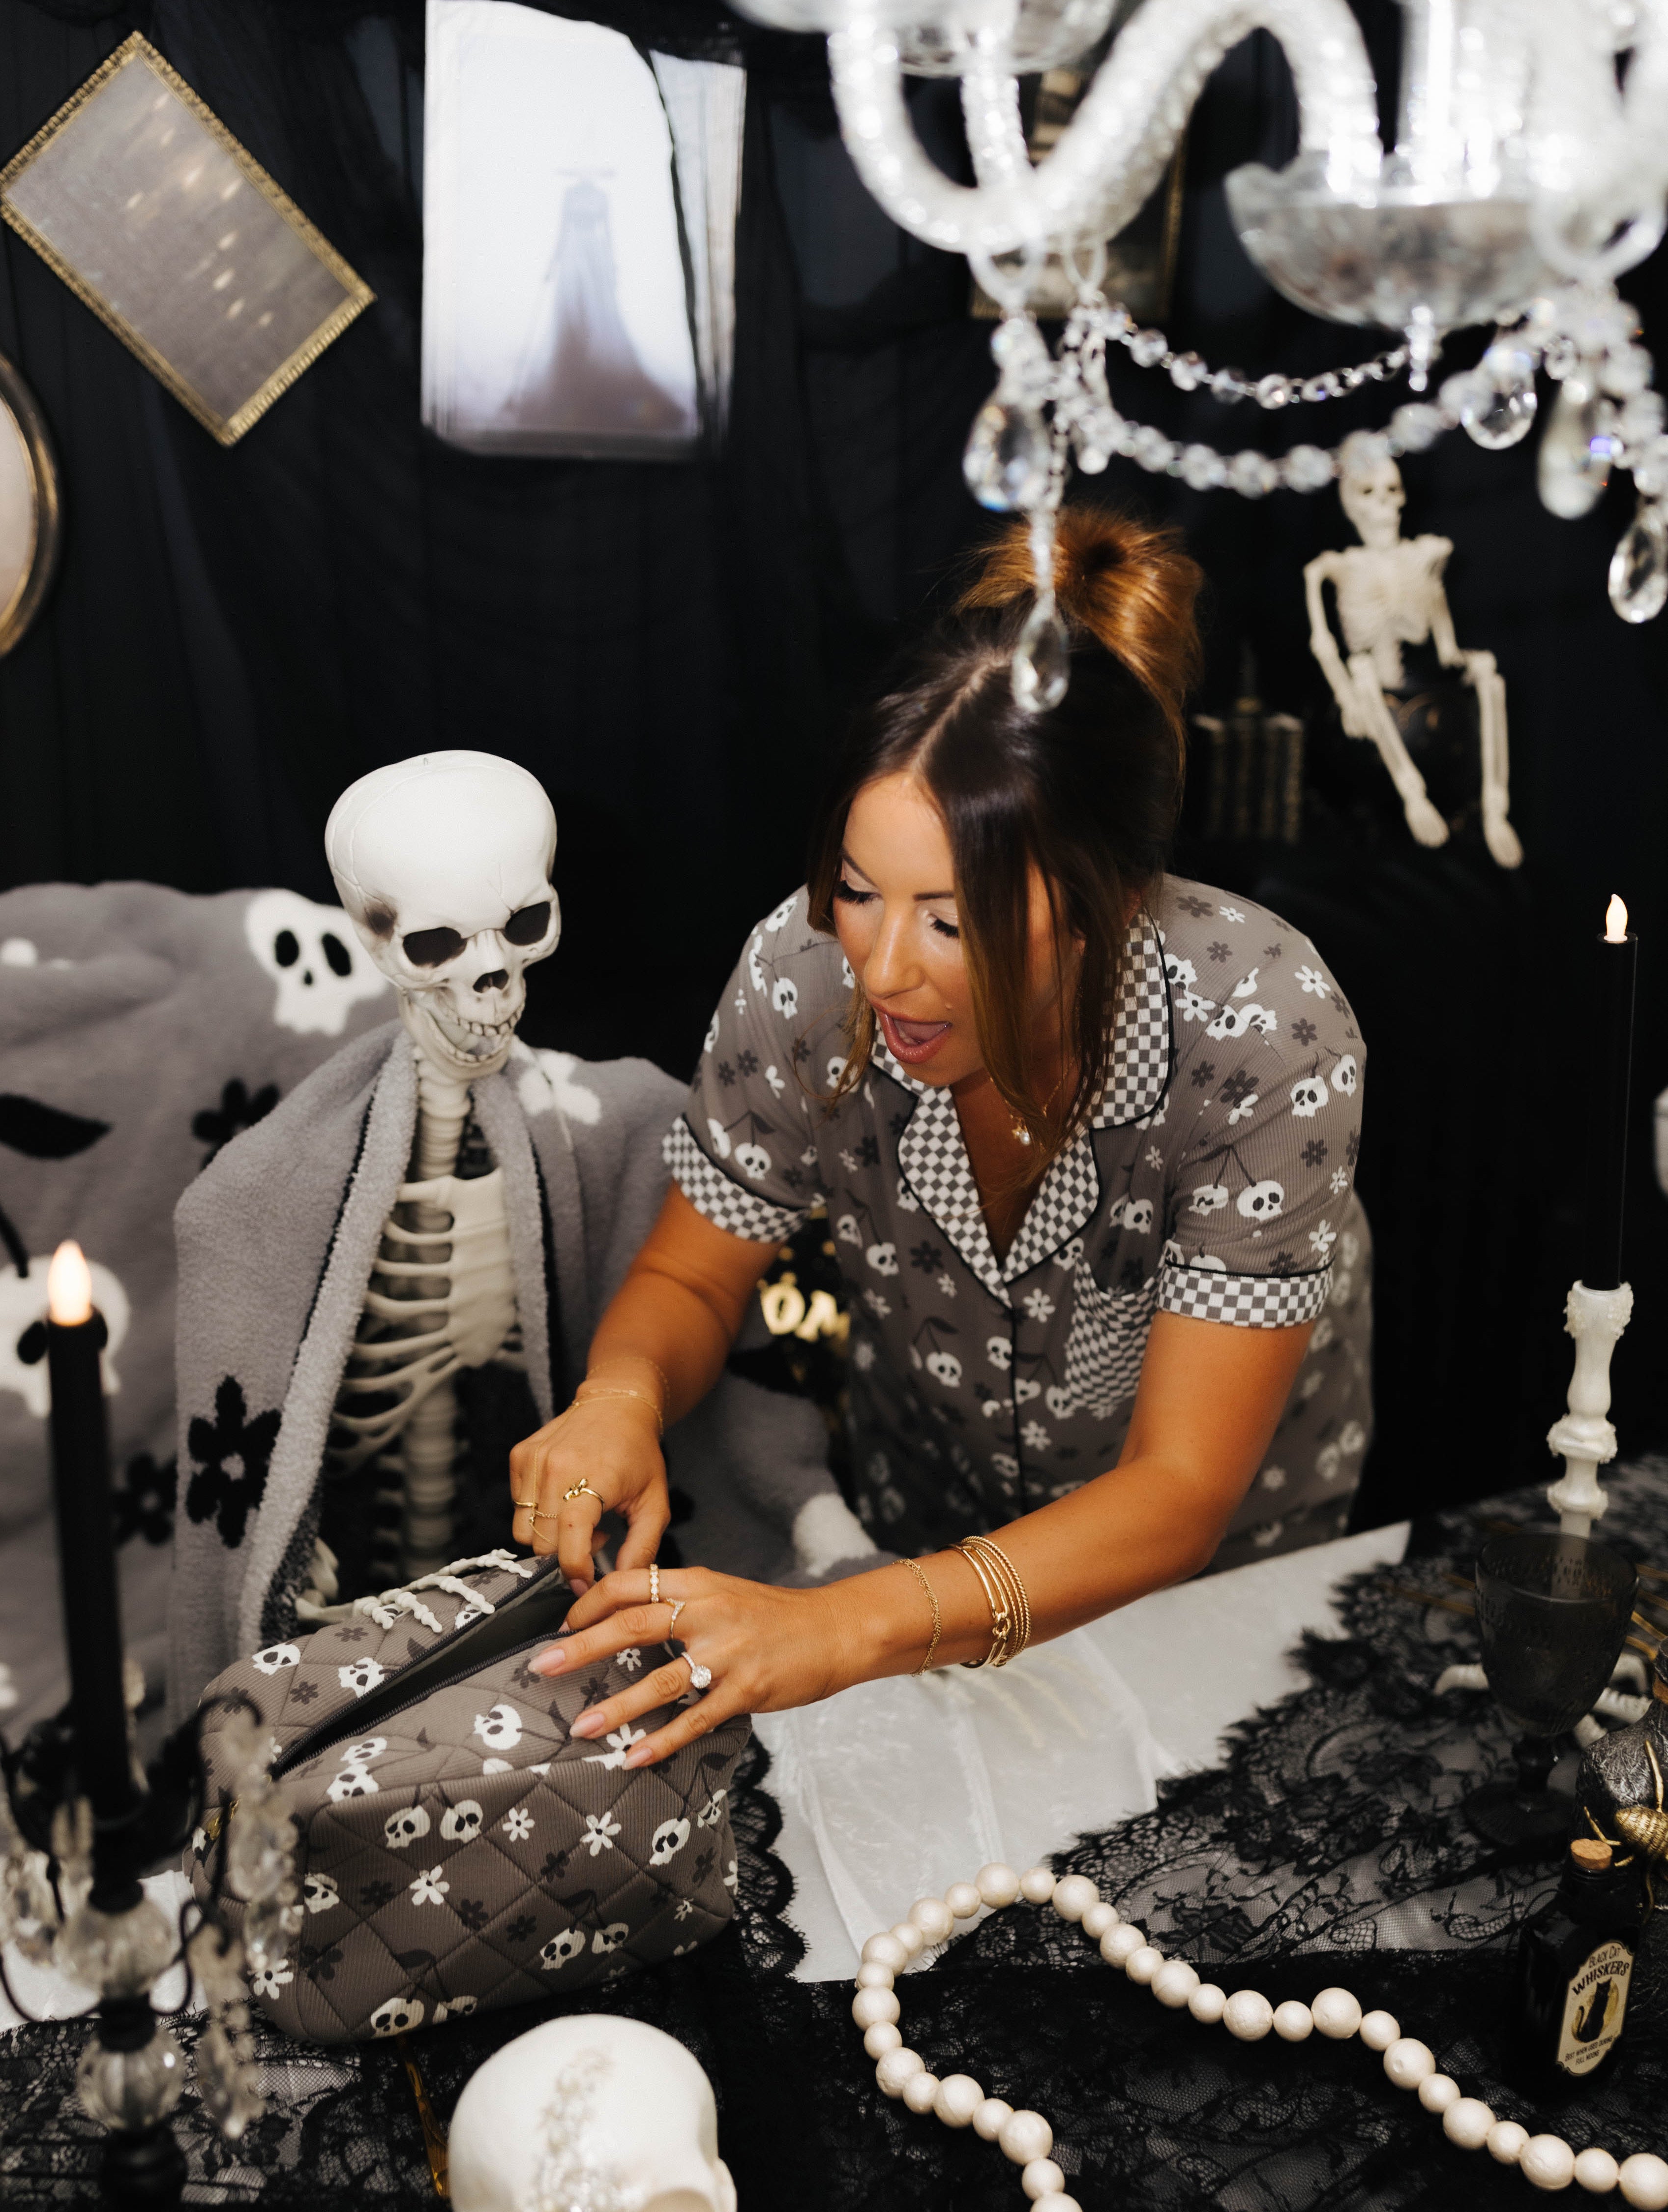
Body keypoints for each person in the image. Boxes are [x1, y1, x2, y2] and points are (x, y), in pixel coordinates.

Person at [509, 508, 1371, 1770]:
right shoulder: (803, 973)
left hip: (1210, 1592)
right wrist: (617, 1398)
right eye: (858, 891)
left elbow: (1180, 1491)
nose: (884, 970)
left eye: (954, 923)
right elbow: (696, 1271)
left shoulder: (1264, 1029)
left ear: (1108, 903)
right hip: (919, 1526)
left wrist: (841, 1628)